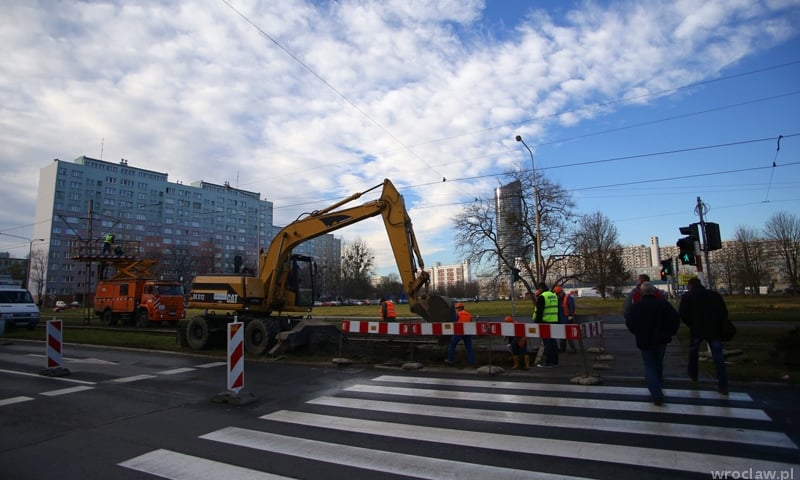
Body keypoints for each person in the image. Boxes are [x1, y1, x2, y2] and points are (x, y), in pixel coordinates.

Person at [624, 281, 680, 405]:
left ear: (642, 292)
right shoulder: (663, 304)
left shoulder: (636, 307)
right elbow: (675, 318)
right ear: (654, 292)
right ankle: (658, 383)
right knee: (658, 362)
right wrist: (670, 332)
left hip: (644, 339)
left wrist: (637, 332)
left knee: (649, 365)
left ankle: (656, 392)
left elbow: (629, 322)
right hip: (661, 339)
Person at [679, 276, 730, 395]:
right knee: (718, 356)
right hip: (714, 329)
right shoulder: (714, 295)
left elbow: (683, 313)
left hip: (697, 329)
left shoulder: (688, 296)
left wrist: (691, 324)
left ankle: (693, 375)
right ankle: (723, 383)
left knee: (693, 352)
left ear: (690, 286)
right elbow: (724, 311)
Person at [533, 283, 559, 367]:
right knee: (553, 342)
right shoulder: (553, 295)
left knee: (547, 343)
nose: (537, 291)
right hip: (554, 320)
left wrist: (538, 322)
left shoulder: (543, 296)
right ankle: (555, 361)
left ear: (540, 289)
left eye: (537, 289)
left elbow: (540, 311)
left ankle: (548, 362)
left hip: (545, 321)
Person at [554, 286, 577, 353]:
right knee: (562, 334)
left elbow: (571, 307)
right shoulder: (558, 299)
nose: (558, 295)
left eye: (558, 293)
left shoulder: (568, 298)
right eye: (557, 294)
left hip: (567, 319)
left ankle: (573, 348)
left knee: (568, 335)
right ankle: (562, 348)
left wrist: (570, 316)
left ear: (561, 292)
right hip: (561, 319)